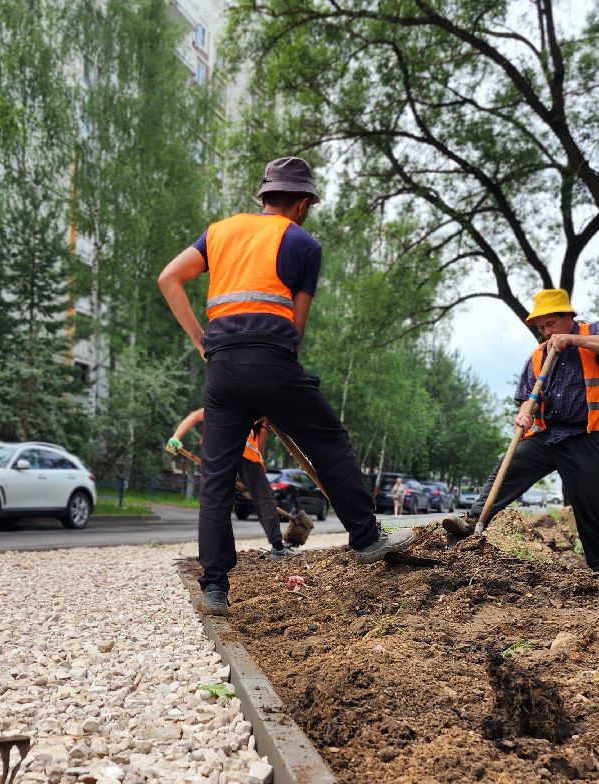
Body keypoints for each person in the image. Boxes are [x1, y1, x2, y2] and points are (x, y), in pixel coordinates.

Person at [156, 155, 413, 614]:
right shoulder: (303, 244)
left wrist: (203, 342)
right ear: (301, 203)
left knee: (216, 478)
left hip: (221, 368)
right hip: (272, 360)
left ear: (265, 197)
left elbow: (168, 277)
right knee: (329, 441)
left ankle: (214, 586)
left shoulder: (218, 233)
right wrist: (271, 385)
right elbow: (295, 329)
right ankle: (366, 537)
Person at [442, 288, 599, 572]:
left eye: (550, 324)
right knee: (507, 467)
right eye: (541, 327)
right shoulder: (538, 355)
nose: (545, 332)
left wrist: (573, 340)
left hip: (586, 435)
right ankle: (472, 521)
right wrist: (525, 414)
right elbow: (529, 398)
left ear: (567, 317)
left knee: (593, 506)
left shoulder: (594, 331)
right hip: (547, 434)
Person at [167, 408, 295, 558]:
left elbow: (195, 416)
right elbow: (259, 449)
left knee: (217, 501)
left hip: (216, 453)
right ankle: (278, 547)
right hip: (247, 455)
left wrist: (176, 436)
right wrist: (256, 480)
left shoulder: (223, 402)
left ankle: (215, 554)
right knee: (265, 500)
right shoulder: (260, 413)